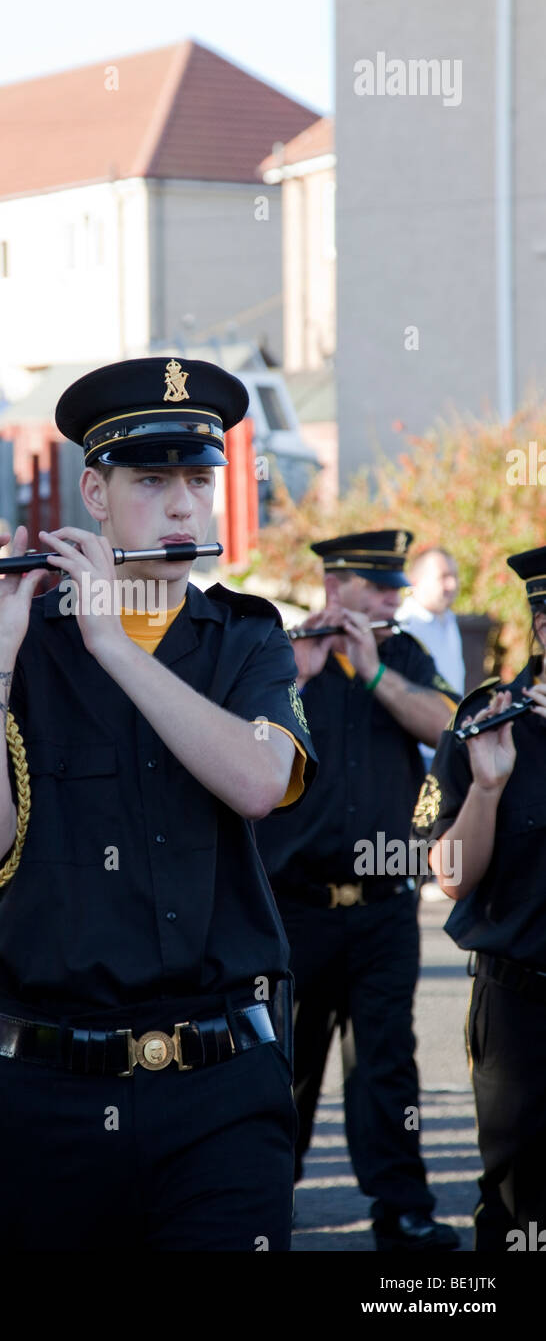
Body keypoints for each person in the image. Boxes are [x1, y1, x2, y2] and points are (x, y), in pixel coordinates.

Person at [0, 356, 317, 1253]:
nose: (183, 506)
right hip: (49, 1094)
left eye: (197, 479)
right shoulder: (14, 646)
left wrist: (115, 646)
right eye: (152, 481)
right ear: (94, 494)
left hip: (224, 1088)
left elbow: (260, 782)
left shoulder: (249, 636)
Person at [255, 530, 461, 1252]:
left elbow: (451, 729)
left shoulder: (400, 653)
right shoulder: (282, 649)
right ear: (337, 586)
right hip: (295, 906)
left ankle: (401, 1209)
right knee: (286, 1067)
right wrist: (305, 674)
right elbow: (245, 744)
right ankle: (263, 1208)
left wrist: (373, 673)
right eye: (379, 589)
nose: (392, 600)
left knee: (387, 1066)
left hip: (382, 905)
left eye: (396, 588)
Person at [413, 544, 546, 1251]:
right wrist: (490, 787)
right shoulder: (487, 719)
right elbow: (452, 875)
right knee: (515, 1207)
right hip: (521, 1004)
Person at [396, 546, 465, 764]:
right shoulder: (404, 625)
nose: (452, 585)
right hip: (418, 750)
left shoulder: (450, 620)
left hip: (448, 744)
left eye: (454, 576)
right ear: (416, 580)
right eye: (443, 577)